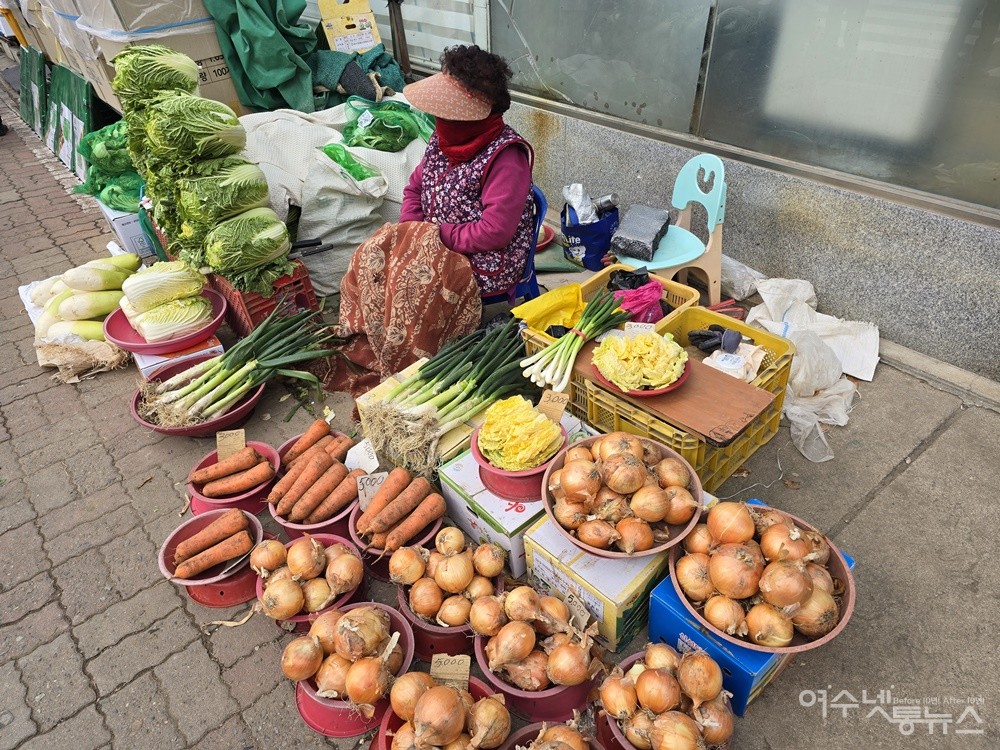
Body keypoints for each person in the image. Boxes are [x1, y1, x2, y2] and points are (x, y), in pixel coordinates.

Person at [399, 45, 535, 300]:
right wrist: (411, 228)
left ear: (471, 118)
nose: (441, 121)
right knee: (377, 259)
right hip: (436, 243)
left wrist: (435, 236)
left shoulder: (506, 158)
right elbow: (416, 187)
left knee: (409, 287)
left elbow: (494, 231)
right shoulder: (442, 140)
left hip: (485, 261)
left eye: (448, 115)